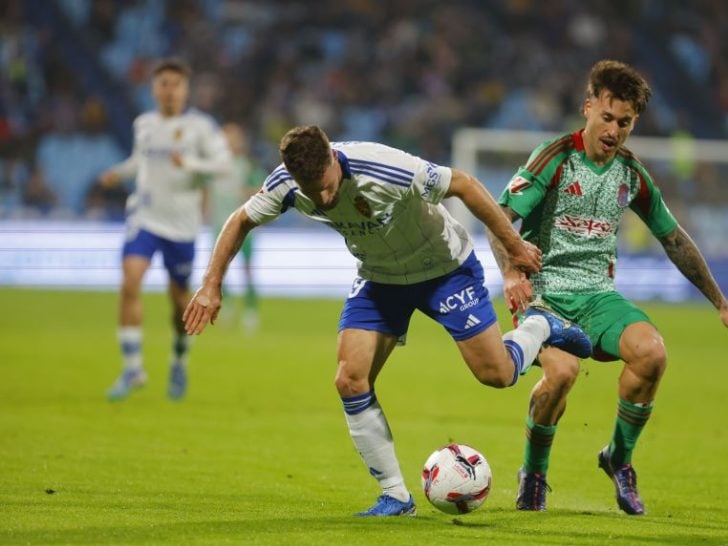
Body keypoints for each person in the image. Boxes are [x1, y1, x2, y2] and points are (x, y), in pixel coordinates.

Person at [183, 125, 592, 517]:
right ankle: (395, 495)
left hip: (443, 268)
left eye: (328, 184)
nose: (324, 197)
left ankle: (540, 326)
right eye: (313, 191)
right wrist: (210, 284)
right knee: (349, 378)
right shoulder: (286, 184)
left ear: (333, 157)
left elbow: (464, 184)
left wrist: (514, 244)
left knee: (497, 375)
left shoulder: (384, 168)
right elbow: (240, 219)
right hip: (380, 277)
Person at [488, 60, 728, 515]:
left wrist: (721, 304)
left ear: (634, 123)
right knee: (563, 375)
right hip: (546, 294)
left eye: (624, 122)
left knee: (653, 353)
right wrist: (512, 273)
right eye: (606, 117)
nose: (613, 130)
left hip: (598, 297)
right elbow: (498, 222)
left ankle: (618, 459)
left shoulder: (631, 174)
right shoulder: (554, 158)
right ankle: (533, 473)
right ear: (588, 108)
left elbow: (673, 238)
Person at [100, 58, 231, 401]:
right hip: (144, 217)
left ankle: (178, 359)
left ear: (185, 89)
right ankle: (132, 369)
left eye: (176, 84)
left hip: (182, 226)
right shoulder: (144, 124)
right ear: (154, 89)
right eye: (163, 84)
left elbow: (223, 164)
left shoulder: (201, 127)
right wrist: (119, 172)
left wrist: (189, 163)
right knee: (130, 281)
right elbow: (140, 161)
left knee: (179, 304)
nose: (169, 90)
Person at [206, 122, 262, 333]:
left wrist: (244, 190)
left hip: (243, 228)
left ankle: (250, 311)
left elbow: (261, 190)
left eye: (233, 137)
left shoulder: (246, 166)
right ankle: (226, 306)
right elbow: (207, 191)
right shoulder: (214, 167)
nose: (229, 141)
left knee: (247, 271)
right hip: (218, 227)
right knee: (219, 271)